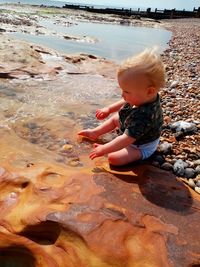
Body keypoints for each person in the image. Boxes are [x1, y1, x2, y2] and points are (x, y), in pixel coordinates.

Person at [78, 48, 165, 166]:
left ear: (150, 91)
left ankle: (142, 153)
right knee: (115, 118)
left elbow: (126, 139)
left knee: (114, 159)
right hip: (134, 133)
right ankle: (95, 132)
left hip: (140, 146)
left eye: (126, 92)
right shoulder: (144, 96)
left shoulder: (145, 116)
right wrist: (108, 109)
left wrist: (104, 149)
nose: (122, 95)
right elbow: (125, 101)